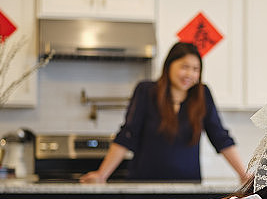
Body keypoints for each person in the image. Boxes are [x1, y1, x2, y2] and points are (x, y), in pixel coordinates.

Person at [80, 42, 248, 183]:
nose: (190, 74)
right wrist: (102, 175)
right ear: (169, 66)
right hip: (144, 187)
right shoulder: (146, 91)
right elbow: (127, 135)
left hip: (187, 189)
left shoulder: (202, 95)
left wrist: (243, 175)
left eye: (195, 69)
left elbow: (220, 137)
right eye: (184, 67)